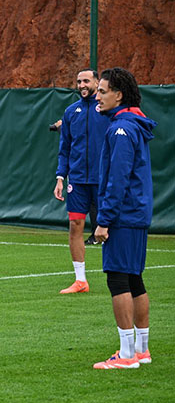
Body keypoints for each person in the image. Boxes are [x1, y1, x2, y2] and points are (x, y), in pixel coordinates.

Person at [92, 68, 156, 369]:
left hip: (124, 215)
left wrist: (104, 220)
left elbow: (118, 179)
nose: (97, 95)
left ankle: (127, 354)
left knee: (118, 279)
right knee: (134, 278)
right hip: (136, 214)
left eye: (102, 91)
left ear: (119, 95)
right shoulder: (132, 124)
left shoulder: (122, 129)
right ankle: (141, 349)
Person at [53, 69, 110, 294]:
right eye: (78, 82)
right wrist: (60, 177)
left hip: (103, 179)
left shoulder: (107, 110)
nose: (82, 85)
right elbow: (64, 148)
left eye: (86, 81)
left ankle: (118, 275)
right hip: (76, 180)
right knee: (75, 225)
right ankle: (80, 281)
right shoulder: (71, 112)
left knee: (109, 227)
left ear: (97, 82)